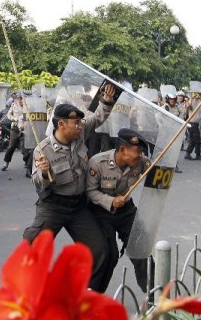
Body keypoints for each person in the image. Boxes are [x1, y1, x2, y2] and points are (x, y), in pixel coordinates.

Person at [23, 84, 118, 293]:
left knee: (101, 251)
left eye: (79, 122)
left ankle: (89, 295)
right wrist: (45, 172)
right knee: (32, 247)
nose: (79, 125)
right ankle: (32, 295)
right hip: (53, 206)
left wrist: (107, 101)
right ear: (61, 124)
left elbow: (98, 117)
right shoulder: (43, 149)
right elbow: (37, 182)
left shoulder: (80, 133)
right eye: (75, 122)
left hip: (78, 208)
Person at [86, 128, 151, 292]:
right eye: (137, 151)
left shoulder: (141, 162)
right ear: (122, 150)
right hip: (101, 212)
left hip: (126, 211)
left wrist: (157, 167)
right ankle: (92, 296)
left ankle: (154, 296)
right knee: (109, 255)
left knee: (141, 249)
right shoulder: (97, 162)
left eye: (142, 152)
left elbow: (154, 173)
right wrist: (112, 201)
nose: (140, 155)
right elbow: (90, 192)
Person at [1, 93, 25, 171]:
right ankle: (6, 162)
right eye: (19, 98)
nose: (20, 100)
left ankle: (27, 163)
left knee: (25, 147)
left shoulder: (28, 106)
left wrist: (21, 118)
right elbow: (9, 114)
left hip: (25, 127)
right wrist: (13, 118)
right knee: (11, 145)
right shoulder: (14, 104)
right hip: (15, 126)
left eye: (21, 98)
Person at [184, 96, 201, 161]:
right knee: (197, 140)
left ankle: (188, 154)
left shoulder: (199, 102)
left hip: (195, 123)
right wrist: (191, 100)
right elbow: (188, 107)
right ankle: (197, 155)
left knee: (193, 140)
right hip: (192, 123)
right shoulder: (192, 101)